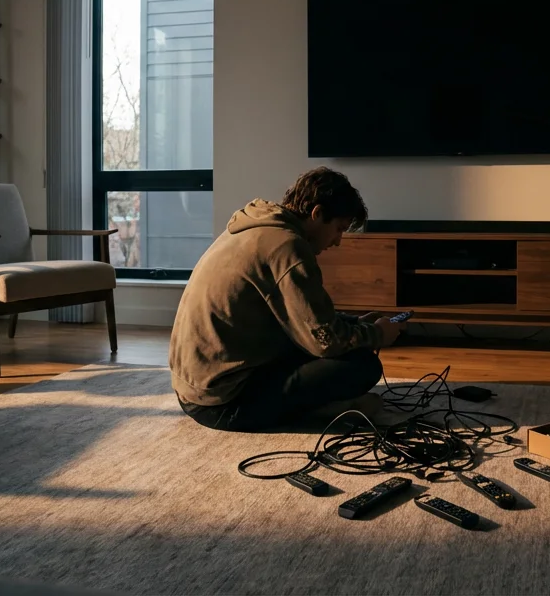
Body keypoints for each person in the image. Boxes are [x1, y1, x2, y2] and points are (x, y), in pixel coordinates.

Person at [170, 167, 403, 431]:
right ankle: (323, 411)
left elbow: (298, 317)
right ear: (317, 214)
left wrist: (354, 323)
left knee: (336, 347)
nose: (338, 241)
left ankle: (316, 405)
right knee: (363, 365)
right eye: (338, 229)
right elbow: (324, 342)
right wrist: (377, 335)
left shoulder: (254, 227)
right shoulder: (288, 247)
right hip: (225, 402)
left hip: (193, 388)